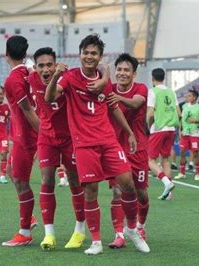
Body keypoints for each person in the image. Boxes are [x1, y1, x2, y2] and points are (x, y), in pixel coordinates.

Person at [46, 34, 149, 255]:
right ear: (80, 54)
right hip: (84, 144)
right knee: (90, 191)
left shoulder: (105, 80)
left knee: (128, 183)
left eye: (94, 53)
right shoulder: (71, 77)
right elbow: (50, 98)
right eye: (86, 52)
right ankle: (96, 241)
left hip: (108, 141)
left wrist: (130, 133)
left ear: (99, 56)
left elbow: (113, 106)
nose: (89, 56)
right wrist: (55, 76)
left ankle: (131, 229)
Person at [28, 47, 86, 250]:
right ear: (35, 68)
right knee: (47, 180)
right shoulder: (31, 79)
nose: (46, 69)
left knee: (75, 181)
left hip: (70, 137)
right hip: (46, 137)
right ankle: (49, 234)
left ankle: (80, 230)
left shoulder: (67, 78)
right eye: (41, 66)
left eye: (49, 65)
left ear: (56, 65)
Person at [105, 53, 150, 248]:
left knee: (140, 194)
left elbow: (135, 103)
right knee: (117, 192)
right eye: (119, 70)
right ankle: (119, 234)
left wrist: (118, 98)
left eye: (126, 70)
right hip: (116, 148)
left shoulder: (140, 88)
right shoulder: (109, 89)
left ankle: (140, 226)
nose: (122, 73)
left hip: (137, 147)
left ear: (134, 74)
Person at [1, 36, 40, 247]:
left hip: (26, 137)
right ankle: (30, 218)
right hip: (20, 135)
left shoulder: (13, 80)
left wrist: (45, 136)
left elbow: (28, 111)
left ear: (6, 53)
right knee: (10, 172)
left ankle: (25, 231)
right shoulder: (28, 72)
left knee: (21, 182)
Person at [146, 68, 179, 200]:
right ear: (164, 77)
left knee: (149, 160)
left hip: (158, 128)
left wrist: (146, 126)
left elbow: (150, 113)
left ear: (152, 78)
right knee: (165, 159)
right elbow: (179, 112)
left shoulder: (153, 91)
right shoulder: (171, 92)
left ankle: (166, 182)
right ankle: (169, 193)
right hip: (171, 128)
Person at [174, 89, 199, 181]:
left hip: (194, 133)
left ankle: (197, 173)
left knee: (195, 153)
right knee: (182, 152)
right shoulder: (184, 106)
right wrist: (180, 130)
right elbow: (182, 119)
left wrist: (196, 121)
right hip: (185, 133)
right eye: (187, 95)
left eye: (189, 96)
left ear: (194, 97)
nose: (187, 97)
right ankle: (182, 173)